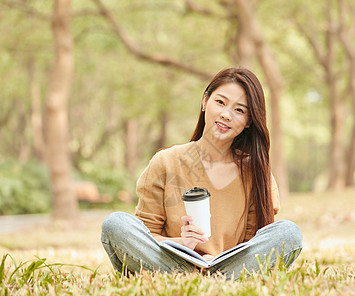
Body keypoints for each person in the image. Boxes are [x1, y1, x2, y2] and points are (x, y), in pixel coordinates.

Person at [101, 68, 303, 280]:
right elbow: (145, 236)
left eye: (240, 111)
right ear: (205, 101)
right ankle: (205, 280)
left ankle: (199, 280)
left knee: (289, 232)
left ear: (249, 122)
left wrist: (216, 260)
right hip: (172, 261)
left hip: (227, 265)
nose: (226, 115)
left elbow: (252, 247)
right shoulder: (166, 162)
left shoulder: (256, 172)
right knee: (116, 224)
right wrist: (182, 242)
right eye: (220, 102)